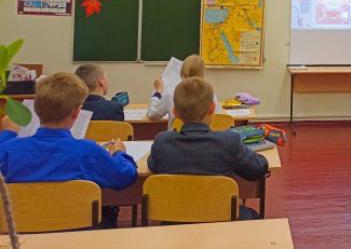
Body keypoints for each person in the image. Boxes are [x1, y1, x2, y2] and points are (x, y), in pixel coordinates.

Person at [0, 72, 137, 228]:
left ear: (35, 110)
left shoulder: (9, 151)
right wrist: (119, 153)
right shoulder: (88, 152)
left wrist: (7, 134)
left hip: (21, 234)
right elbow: (125, 176)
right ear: (76, 112)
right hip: (77, 235)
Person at [148, 77, 268, 220]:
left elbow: (153, 166)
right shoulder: (229, 142)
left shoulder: (162, 142)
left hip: (174, 218)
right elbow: (257, 170)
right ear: (212, 108)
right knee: (252, 215)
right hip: (219, 218)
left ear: (175, 112)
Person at [147, 54, 220, 127]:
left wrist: (158, 92)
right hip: (205, 134)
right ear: (202, 75)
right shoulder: (211, 95)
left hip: (177, 134)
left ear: (182, 74)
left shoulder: (171, 95)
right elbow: (217, 117)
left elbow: (152, 114)